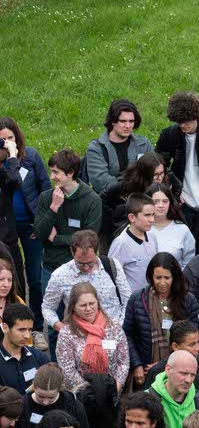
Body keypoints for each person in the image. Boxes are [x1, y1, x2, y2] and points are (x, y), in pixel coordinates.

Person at [0, 117, 50, 334]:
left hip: (31, 224)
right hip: (6, 228)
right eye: (2, 140)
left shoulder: (30, 157)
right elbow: (12, 181)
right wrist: (10, 157)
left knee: (35, 278)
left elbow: (45, 188)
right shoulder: (6, 166)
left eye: (11, 138)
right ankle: (15, 325)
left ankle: (37, 326)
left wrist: (43, 221)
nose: (8, 143)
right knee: (13, 278)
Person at [35, 150, 102, 309]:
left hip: (80, 270)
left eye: (56, 172)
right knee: (52, 319)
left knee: (79, 317)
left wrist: (56, 239)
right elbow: (39, 233)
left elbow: (89, 241)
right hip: (51, 267)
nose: (51, 177)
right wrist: (54, 207)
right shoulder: (46, 197)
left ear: (70, 173)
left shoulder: (92, 200)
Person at [123, 253, 199, 388]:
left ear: (174, 277)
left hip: (179, 369)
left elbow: (192, 339)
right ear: (151, 276)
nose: (162, 282)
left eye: (167, 278)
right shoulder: (138, 300)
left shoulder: (188, 300)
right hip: (145, 370)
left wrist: (162, 364)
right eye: (158, 277)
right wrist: (137, 365)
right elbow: (128, 335)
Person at [154, 91, 199, 229]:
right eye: (179, 122)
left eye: (187, 121)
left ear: (196, 117)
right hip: (183, 201)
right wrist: (172, 190)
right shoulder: (169, 134)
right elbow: (159, 164)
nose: (183, 126)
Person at [55, 282, 128, 393]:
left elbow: (123, 361)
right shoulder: (66, 334)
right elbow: (67, 371)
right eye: (83, 305)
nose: (88, 308)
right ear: (74, 307)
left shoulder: (114, 327)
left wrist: (115, 387)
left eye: (92, 303)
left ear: (98, 303)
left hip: (112, 393)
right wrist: (92, 393)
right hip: (83, 396)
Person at [16, 364, 93, 428]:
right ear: (34, 387)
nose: (45, 402)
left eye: (51, 397)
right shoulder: (22, 406)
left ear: (59, 390)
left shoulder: (73, 406)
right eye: (41, 396)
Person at [85, 99, 155, 195]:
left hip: (140, 203)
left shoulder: (144, 144)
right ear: (113, 121)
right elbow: (101, 182)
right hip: (107, 204)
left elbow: (154, 174)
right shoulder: (96, 148)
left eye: (131, 121)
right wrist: (135, 184)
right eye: (123, 121)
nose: (128, 126)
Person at [108, 194, 158, 293]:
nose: (152, 220)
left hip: (152, 298)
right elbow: (112, 276)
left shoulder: (152, 236)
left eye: (153, 215)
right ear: (132, 217)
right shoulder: (120, 244)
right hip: (132, 302)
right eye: (147, 215)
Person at [142, 320, 199, 393]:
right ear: (175, 346)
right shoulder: (157, 371)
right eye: (192, 344)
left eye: (198, 342)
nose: (198, 348)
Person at [0, 304, 49, 395]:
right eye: (21, 330)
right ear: (5, 327)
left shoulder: (40, 357)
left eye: (30, 329)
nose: (27, 335)